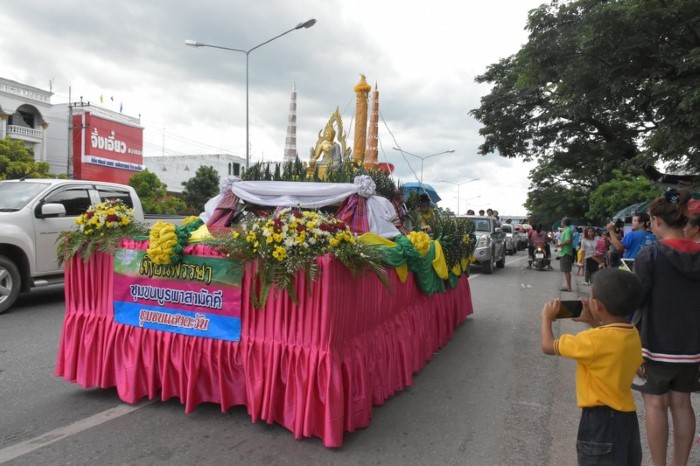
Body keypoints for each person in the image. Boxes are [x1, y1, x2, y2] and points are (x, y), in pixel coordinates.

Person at [540, 268, 643, 465]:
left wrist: (546, 318)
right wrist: (592, 320)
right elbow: (609, 342)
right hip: (627, 420)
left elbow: (547, 346)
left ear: (596, 305)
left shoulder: (591, 340)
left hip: (599, 423)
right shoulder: (632, 334)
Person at [631, 189, 700, 466]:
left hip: (654, 345)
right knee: (683, 404)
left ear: (657, 222)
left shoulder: (651, 255)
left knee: (656, 405)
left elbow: (638, 301)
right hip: (693, 348)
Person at [557, 217, 574, 292]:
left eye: (561, 221)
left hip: (566, 252)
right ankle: (568, 286)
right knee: (565, 270)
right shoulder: (566, 230)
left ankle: (569, 287)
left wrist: (559, 244)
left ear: (563, 223)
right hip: (564, 252)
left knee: (567, 270)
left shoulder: (567, 230)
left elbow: (568, 241)